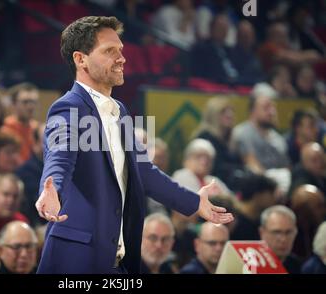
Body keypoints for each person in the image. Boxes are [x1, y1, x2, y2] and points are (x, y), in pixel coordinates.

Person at [35, 16, 233, 274]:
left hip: (117, 263)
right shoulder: (68, 107)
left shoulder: (122, 111)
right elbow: (60, 156)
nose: (122, 58)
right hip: (77, 262)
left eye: (121, 51)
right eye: (109, 51)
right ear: (80, 59)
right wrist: (52, 189)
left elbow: (145, 173)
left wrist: (195, 202)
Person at [0, 83, 40, 163]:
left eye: (33, 102)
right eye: (25, 102)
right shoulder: (5, 131)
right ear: (13, 104)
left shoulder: (37, 128)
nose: (30, 106)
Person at [259, 205, 301, 274]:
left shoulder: (297, 265)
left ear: (295, 232)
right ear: (262, 233)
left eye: (288, 232)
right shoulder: (250, 265)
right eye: (276, 232)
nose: (283, 239)